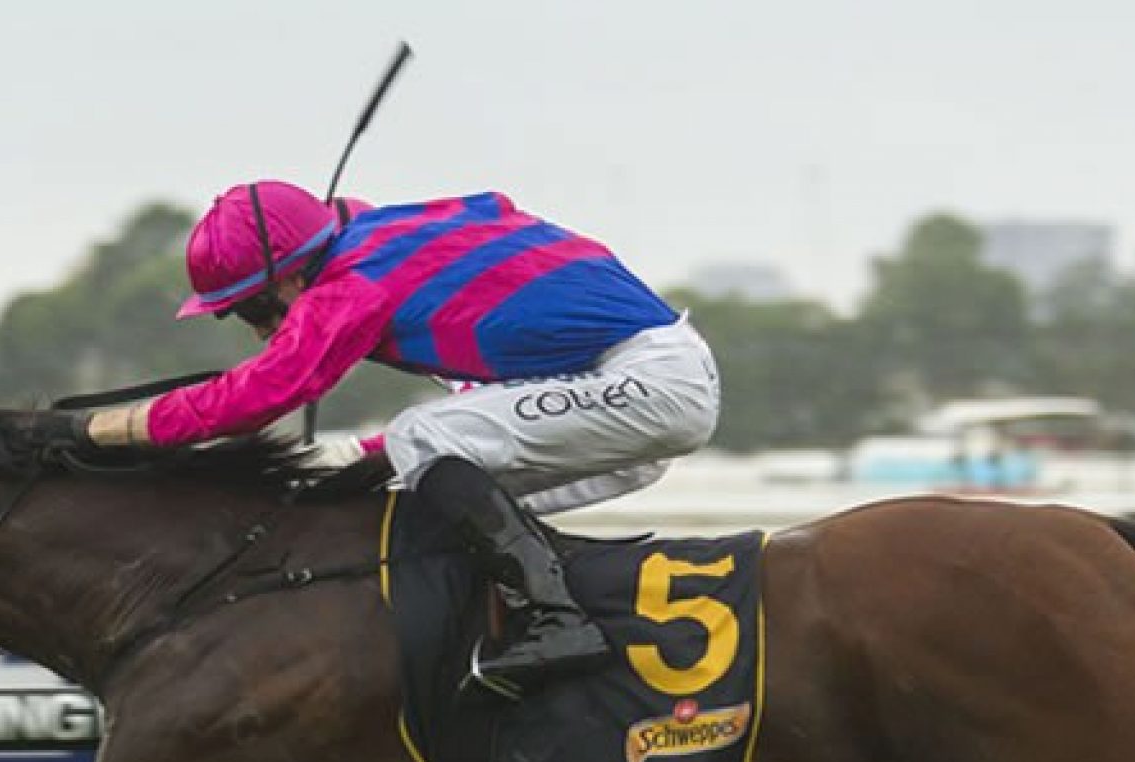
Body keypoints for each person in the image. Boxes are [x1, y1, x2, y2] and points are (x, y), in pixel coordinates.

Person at [82, 180, 720, 692]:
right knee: (424, 496)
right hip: (625, 385)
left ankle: (558, 623)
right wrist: (345, 463)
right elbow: (473, 413)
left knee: (421, 436)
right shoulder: (387, 241)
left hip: (651, 385)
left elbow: (260, 395)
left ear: (292, 277)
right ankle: (508, 628)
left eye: (253, 309)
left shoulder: (357, 282)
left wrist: (107, 429)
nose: (258, 331)